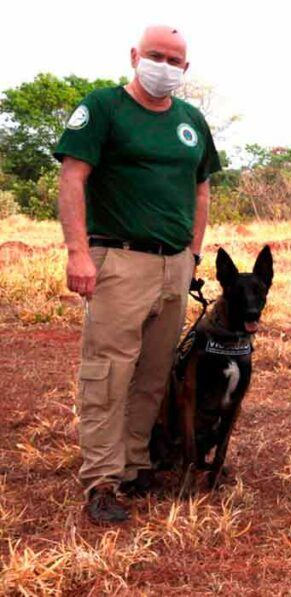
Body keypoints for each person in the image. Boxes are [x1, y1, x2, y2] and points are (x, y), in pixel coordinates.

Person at [54, 25, 222, 523]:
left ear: (185, 69)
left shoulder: (191, 121)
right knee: (108, 372)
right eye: (155, 56)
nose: (164, 67)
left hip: (174, 264)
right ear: (134, 56)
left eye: (174, 60)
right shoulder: (103, 108)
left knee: (152, 373)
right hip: (119, 259)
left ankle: (133, 465)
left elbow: (201, 192)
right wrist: (77, 252)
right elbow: (72, 177)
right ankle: (101, 480)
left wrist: (192, 255)